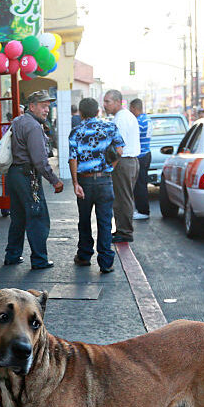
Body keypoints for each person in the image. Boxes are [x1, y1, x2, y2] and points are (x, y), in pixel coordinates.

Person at [5, 90, 64, 269]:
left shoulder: (17, 121)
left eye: (48, 106)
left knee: (18, 218)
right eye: (43, 106)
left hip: (14, 175)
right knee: (38, 217)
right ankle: (39, 260)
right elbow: (40, 160)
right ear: (32, 107)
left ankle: (12, 255)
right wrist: (54, 180)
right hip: (27, 176)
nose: (47, 110)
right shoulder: (33, 126)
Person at [68, 97, 125, 274]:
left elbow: (73, 158)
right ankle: (106, 262)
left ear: (81, 113)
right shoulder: (109, 127)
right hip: (104, 180)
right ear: (98, 111)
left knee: (84, 220)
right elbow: (120, 150)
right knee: (105, 221)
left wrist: (75, 183)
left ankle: (84, 255)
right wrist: (109, 169)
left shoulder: (76, 132)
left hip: (84, 181)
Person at [103, 90, 140, 243]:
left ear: (118, 102)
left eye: (108, 102)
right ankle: (122, 229)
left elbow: (119, 149)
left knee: (122, 198)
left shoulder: (121, 119)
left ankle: (124, 231)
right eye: (104, 101)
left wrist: (111, 167)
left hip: (123, 162)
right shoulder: (122, 117)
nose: (104, 105)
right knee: (122, 197)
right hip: (128, 161)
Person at [130, 98, 152, 220]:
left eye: (131, 108)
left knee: (140, 185)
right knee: (141, 183)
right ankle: (142, 209)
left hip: (141, 156)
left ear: (134, 108)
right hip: (146, 153)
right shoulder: (147, 119)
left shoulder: (139, 122)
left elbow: (133, 137)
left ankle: (143, 211)